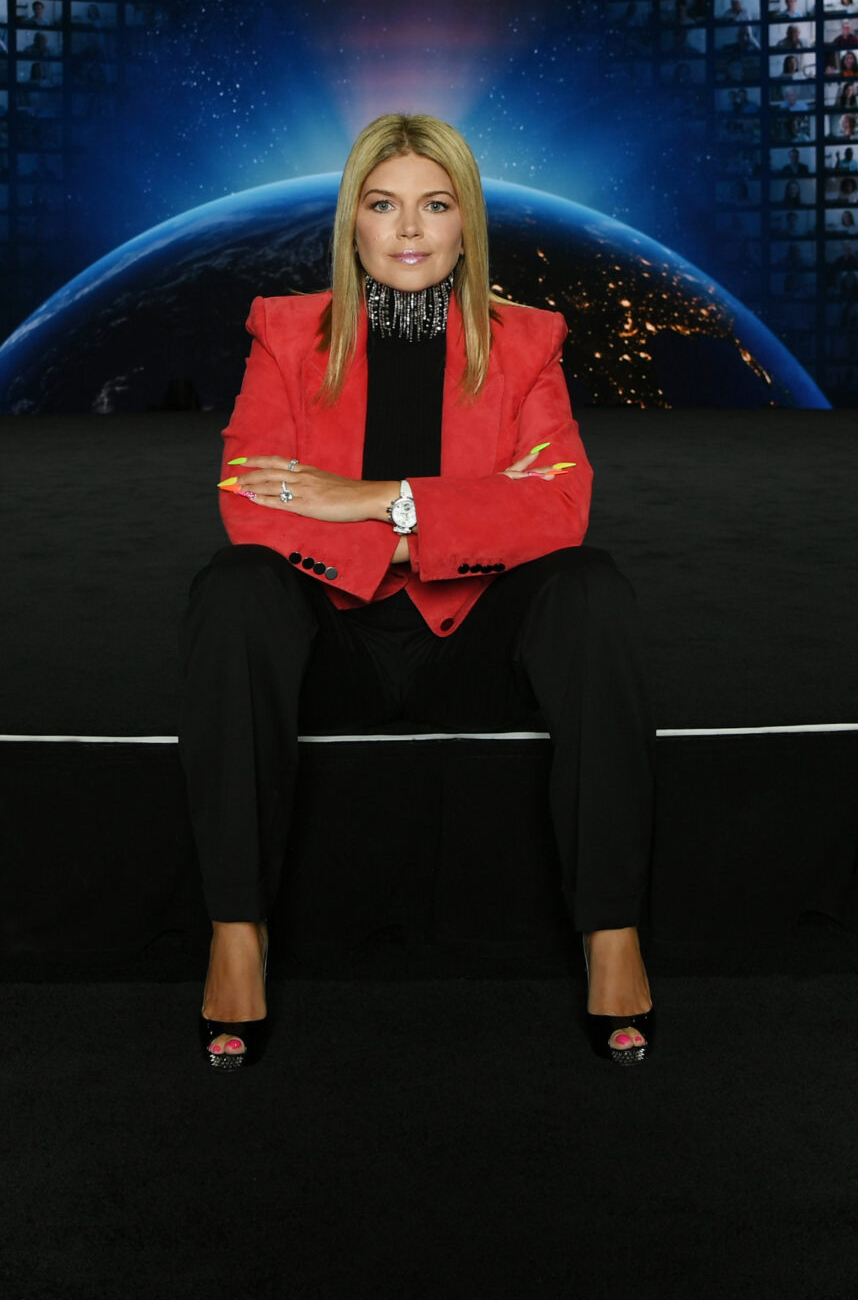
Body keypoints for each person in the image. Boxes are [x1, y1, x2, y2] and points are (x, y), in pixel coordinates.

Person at [183, 114, 655, 1071]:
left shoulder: (526, 342)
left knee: (592, 587)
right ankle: (237, 930)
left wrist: (383, 504)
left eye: (435, 206)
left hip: (475, 638)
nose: (408, 229)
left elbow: (560, 507)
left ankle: (612, 933)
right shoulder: (285, 332)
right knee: (233, 588)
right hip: (336, 643)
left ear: (465, 224)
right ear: (351, 223)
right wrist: (443, 527)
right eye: (384, 204)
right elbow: (250, 497)